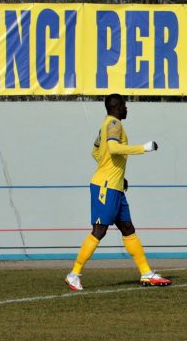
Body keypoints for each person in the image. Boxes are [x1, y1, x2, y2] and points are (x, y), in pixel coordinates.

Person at [65, 93, 171, 291]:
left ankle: (146, 273)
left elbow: (96, 152)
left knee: (128, 228)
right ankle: (74, 274)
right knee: (99, 231)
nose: (127, 109)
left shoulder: (105, 125)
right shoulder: (115, 124)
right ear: (118, 106)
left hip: (114, 185)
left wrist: (117, 175)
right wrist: (144, 148)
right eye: (125, 105)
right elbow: (113, 149)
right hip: (105, 187)